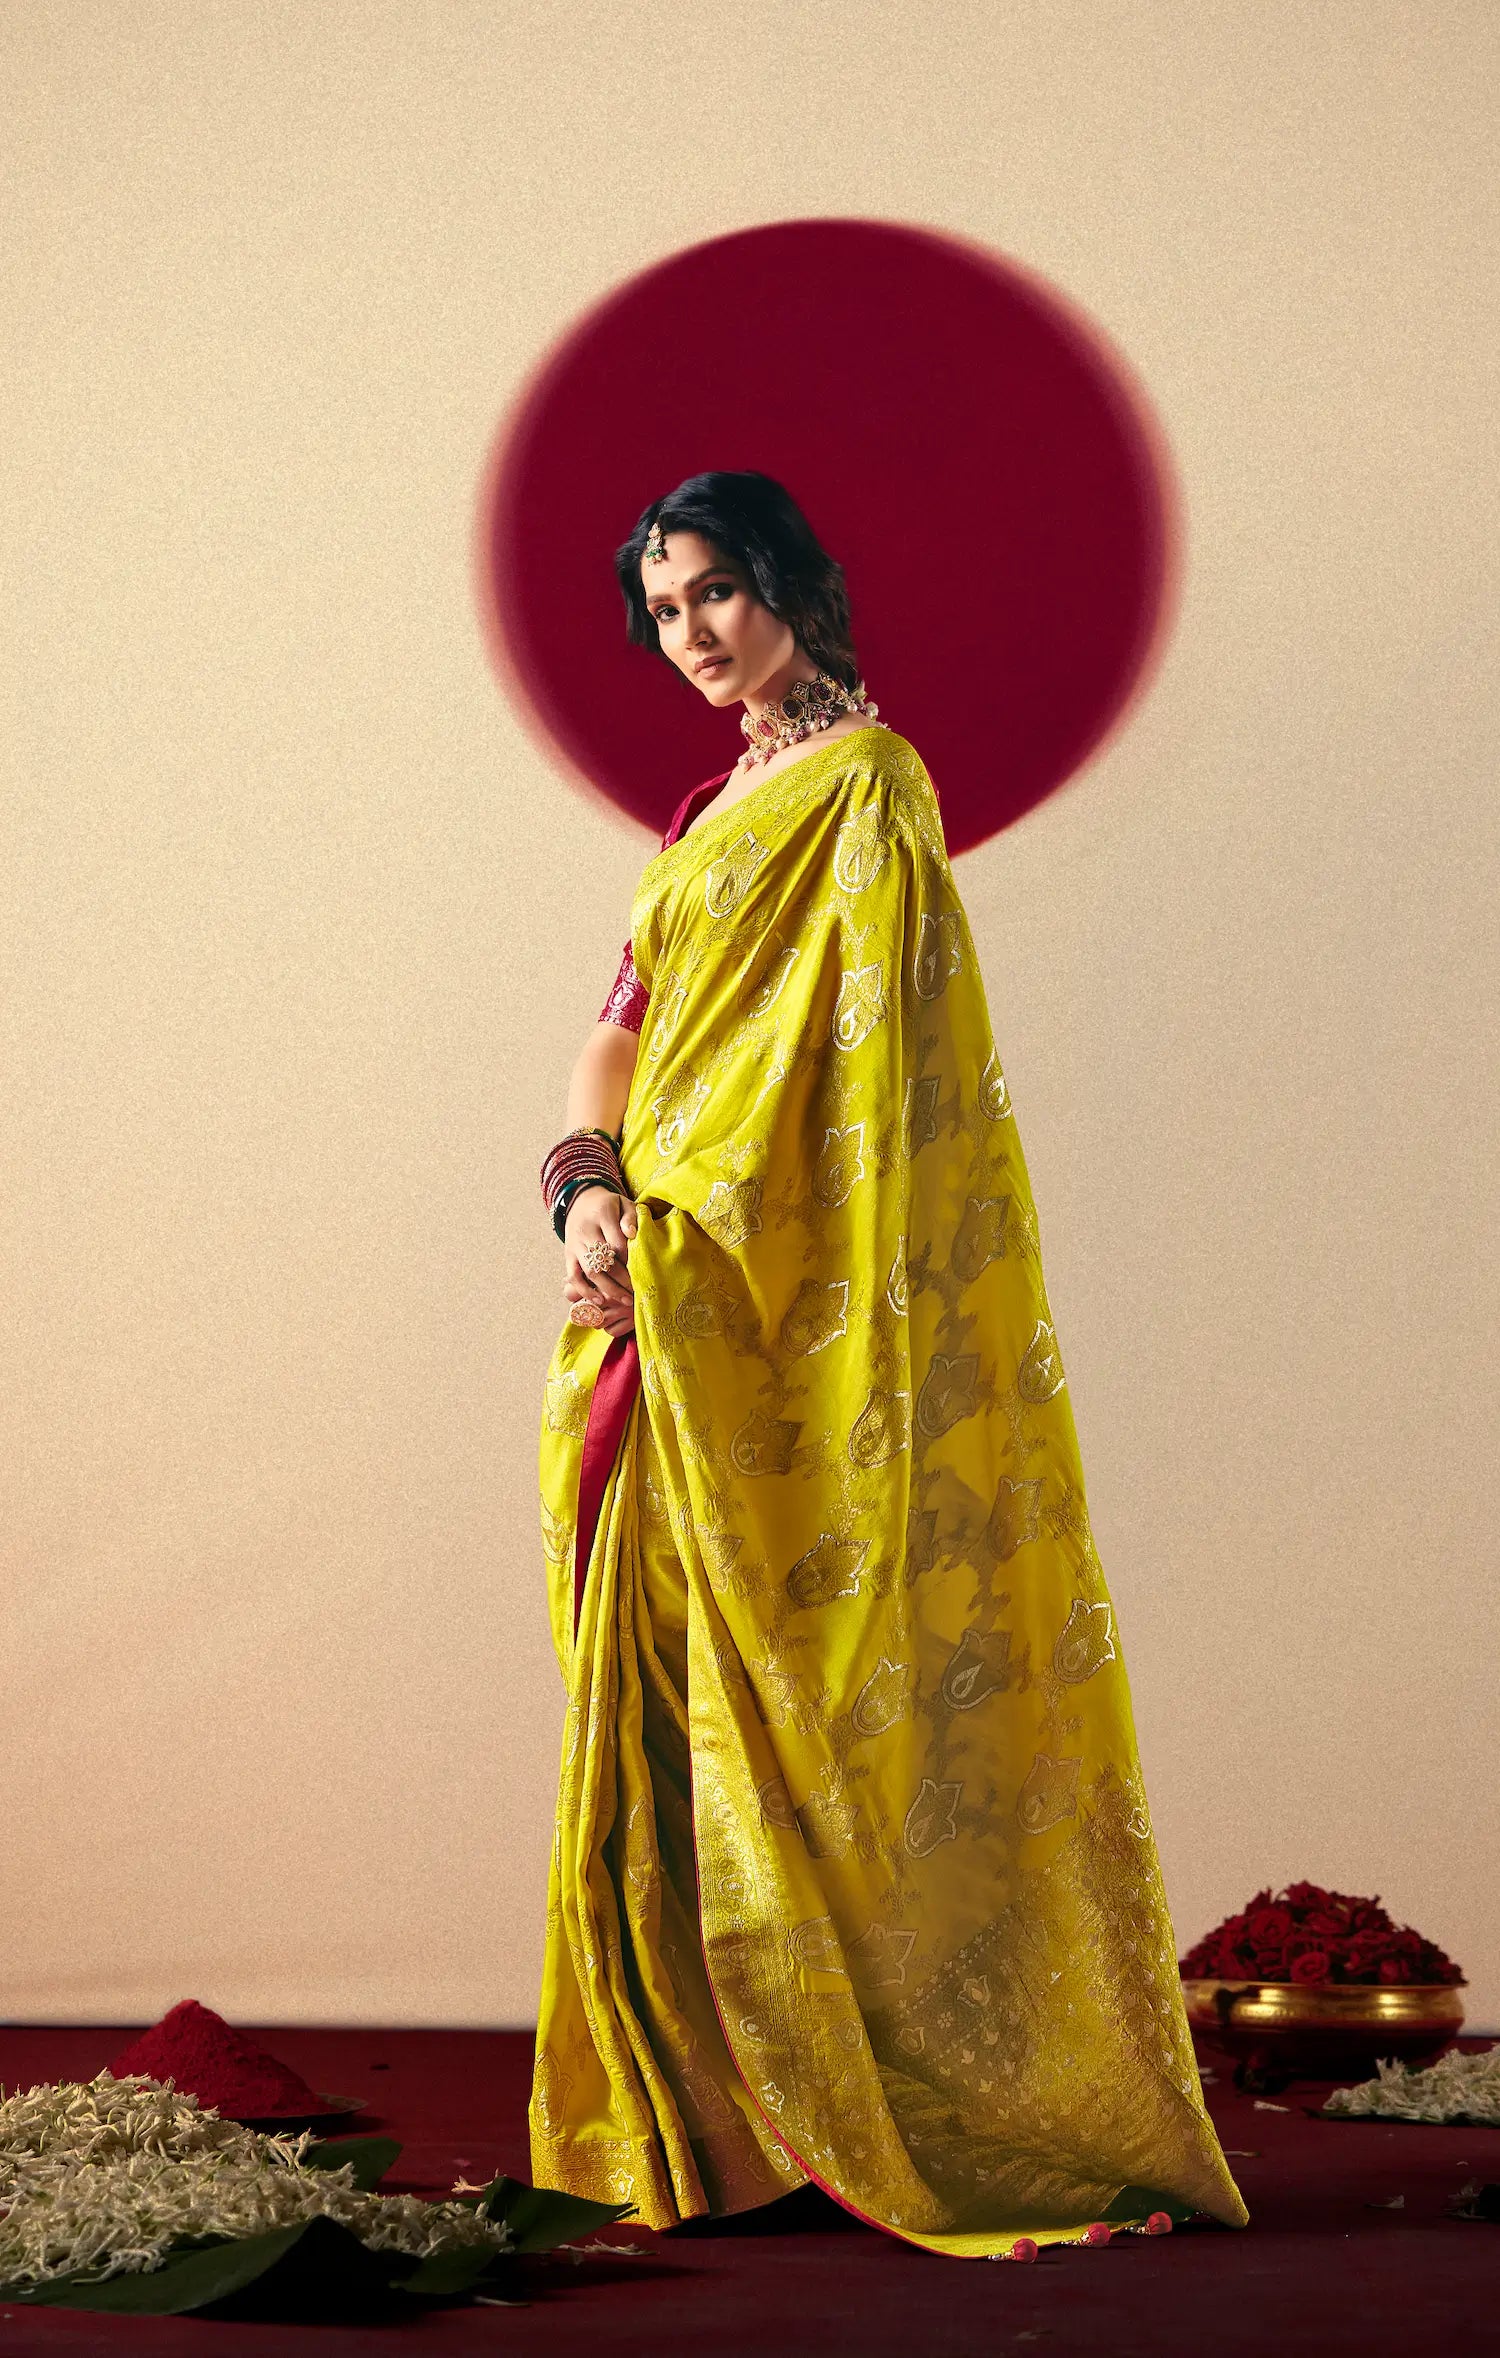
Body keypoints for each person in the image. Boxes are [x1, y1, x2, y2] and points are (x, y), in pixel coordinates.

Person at [531, 470, 1250, 2260]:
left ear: (787, 581)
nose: (694, 634)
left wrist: (694, 1239)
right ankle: (707, 2126)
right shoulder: (705, 815)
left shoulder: (870, 787)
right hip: (642, 1281)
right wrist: (586, 1188)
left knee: (790, 1693)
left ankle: (851, 2097)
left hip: (743, 1299)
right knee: (656, 1684)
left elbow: (863, 1084)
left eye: (716, 590)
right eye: (664, 610)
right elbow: (614, 1038)